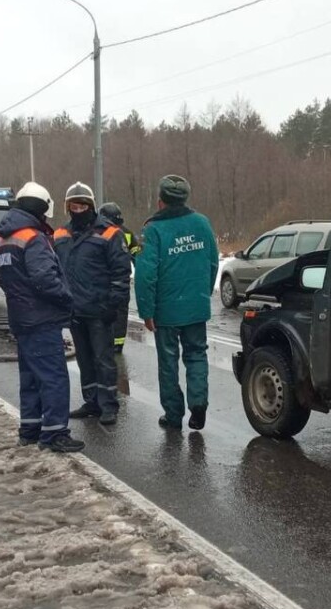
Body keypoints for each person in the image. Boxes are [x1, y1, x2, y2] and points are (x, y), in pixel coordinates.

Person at [0, 182, 84, 453]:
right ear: (42, 207)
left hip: (21, 319)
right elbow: (44, 278)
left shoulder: (7, 238)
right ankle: (55, 433)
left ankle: (30, 429)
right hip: (41, 318)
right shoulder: (32, 237)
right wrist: (67, 298)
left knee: (30, 377)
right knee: (54, 376)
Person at [134, 175, 219, 431]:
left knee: (168, 362)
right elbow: (213, 263)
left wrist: (146, 311)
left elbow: (145, 274)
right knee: (196, 355)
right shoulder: (202, 223)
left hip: (166, 312)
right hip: (196, 307)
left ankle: (173, 416)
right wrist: (203, 293)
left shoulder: (153, 230)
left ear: (160, 202)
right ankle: (199, 404)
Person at [53, 183, 130, 426]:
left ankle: (109, 404)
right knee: (84, 360)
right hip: (75, 310)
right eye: (73, 206)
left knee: (103, 359)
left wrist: (113, 306)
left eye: (82, 205)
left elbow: (121, 273)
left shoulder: (109, 233)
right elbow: (56, 269)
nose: (78, 209)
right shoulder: (61, 235)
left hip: (99, 309)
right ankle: (91, 401)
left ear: (91, 206)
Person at [98, 201, 141, 353]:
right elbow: (137, 256)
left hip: (102, 282)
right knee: (121, 313)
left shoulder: (98, 231)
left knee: (102, 312)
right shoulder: (127, 233)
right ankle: (118, 344)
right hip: (122, 282)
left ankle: (105, 342)